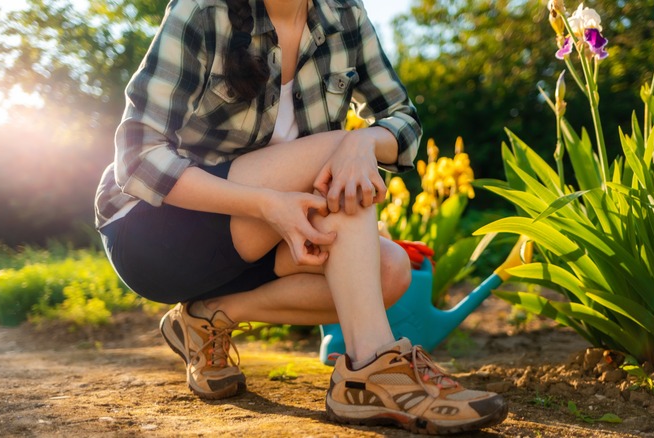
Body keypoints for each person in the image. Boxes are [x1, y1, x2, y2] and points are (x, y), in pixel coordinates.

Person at [95, 0, 507, 434]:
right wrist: (266, 205)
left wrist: (363, 143)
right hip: (153, 232)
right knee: (336, 154)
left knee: (390, 270)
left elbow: (402, 118)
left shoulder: (344, 15)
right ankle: (371, 368)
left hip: (261, 237)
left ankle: (209, 316)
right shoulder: (203, 11)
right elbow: (138, 158)